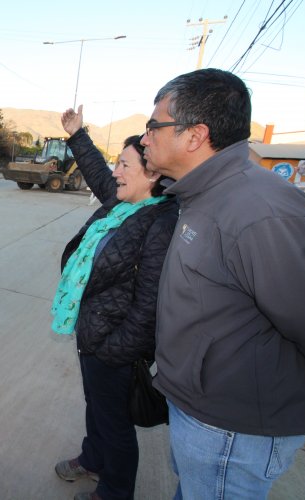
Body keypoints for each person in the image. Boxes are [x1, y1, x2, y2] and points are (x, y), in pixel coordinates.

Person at [141, 68, 305, 499]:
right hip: (204, 414)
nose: (145, 137)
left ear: (195, 135)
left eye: (154, 126)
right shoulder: (205, 195)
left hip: (233, 431)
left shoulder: (259, 210)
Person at [52, 105, 178, 500]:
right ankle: (93, 458)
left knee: (116, 424)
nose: (115, 172)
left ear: (152, 174)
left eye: (124, 165)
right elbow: (95, 170)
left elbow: (149, 306)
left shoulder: (159, 222)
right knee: (97, 407)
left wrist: (113, 350)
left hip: (114, 346)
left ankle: (115, 491)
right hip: (93, 333)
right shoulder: (123, 203)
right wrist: (76, 135)